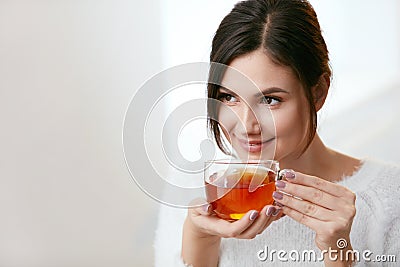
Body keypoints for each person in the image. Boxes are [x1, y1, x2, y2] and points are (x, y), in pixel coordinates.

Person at [154, 0, 400, 266]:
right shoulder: (191, 186)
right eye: (228, 97)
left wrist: (339, 252)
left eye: (270, 100)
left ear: (318, 92)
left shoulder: (388, 198)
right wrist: (199, 237)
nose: (247, 125)